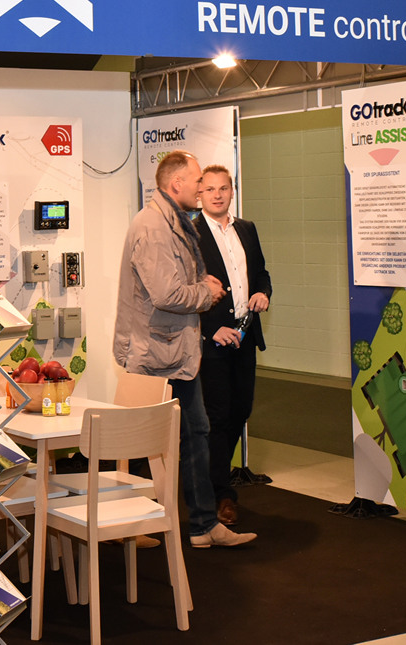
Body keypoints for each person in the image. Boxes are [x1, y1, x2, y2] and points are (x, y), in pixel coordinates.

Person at [114, 150, 256, 548]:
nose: (203, 188)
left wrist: (199, 285)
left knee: (196, 433)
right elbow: (166, 294)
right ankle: (128, 525)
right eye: (197, 181)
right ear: (177, 184)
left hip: (175, 352)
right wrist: (206, 292)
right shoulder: (153, 228)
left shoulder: (172, 221)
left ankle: (203, 525)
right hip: (154, 353)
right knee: (144, 442)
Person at [193, 165, 271, 527]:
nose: (217, 195)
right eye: (210, 189)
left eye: (223, 188)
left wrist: (263, 293)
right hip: (212, 341)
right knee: (218, 416)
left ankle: (213, 479)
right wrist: (211, 329)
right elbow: (185, 291)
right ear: (199, 195)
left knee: (242, 410)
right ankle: (220, 493)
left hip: (245, 336)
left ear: (232, 191)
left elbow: (261, 273)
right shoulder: (191, 235)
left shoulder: (247, 229)